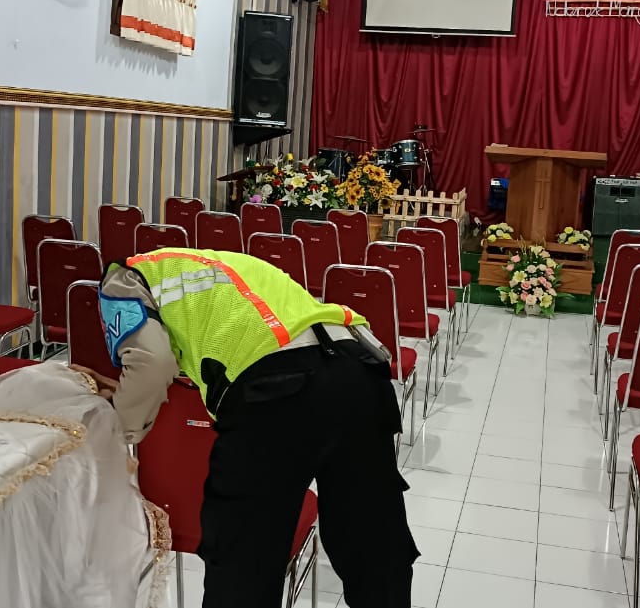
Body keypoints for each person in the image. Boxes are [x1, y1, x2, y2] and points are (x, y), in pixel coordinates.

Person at [75, 247, 418, 608]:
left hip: (274, 395)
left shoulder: (121, 278)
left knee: (242, 567)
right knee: (373, 544)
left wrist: (114, 431)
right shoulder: (218, 266)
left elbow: (150, 362)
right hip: (359, 372)